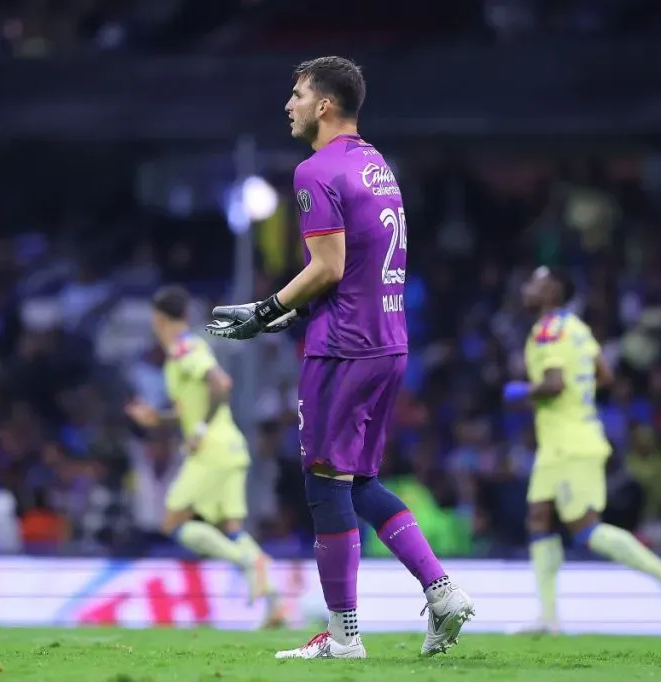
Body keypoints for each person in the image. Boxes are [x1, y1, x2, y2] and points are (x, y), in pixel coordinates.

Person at [207, 56, 473, 660]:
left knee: (325, 482)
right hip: (387, 340)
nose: (290, 104)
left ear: (325, 105)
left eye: (297, 94)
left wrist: (265, 308)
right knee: (362, 482)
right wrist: (296, 313)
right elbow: (357, 267)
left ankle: (345, 635)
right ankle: (443, 589)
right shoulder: (377, 166)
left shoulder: (314, 171)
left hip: (344, 348)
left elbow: (326, 267)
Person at [502, 266, 661, 634]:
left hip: (572, 444)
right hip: (558, 443)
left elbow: (554, 384)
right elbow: (605, 374)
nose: (527, 289)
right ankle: (549, 618)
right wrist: (579, 392)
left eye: (535, 284)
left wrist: (521, 392)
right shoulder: (577, 327)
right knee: (539, 516)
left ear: (553, 292)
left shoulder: (548, 330)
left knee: (585, 528)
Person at [126, 285, 284, 628]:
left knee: (173, 522)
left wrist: (197, 430)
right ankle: (274, 603)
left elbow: (220, 384)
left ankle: (247, 564)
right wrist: (159, 418)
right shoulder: (182, 351)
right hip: (230, 447)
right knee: (231, 528)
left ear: (158, 318)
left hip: (211, 450)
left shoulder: (185, 347)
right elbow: (190, 405)